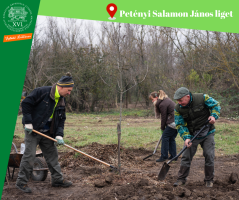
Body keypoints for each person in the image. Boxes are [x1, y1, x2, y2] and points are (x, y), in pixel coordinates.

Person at [16, 72, 74, 193]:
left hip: (48, 132)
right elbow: (26, 103)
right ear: (61, 86)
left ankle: (57, 180)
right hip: (33, 130)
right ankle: (21, 183)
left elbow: (61, 119)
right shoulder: (42, 92)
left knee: (52, 155)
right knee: (29, 156)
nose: (69, 93)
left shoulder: (62, 101)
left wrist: (59, 135)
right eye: (68, 90)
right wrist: (28, 122)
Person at [173, 87, 221, 188]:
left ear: (187, 96)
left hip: (207, 132)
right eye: (178, 101)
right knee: (186, 156)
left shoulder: (202, 98)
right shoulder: (178, 109)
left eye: (181, 100)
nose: (179, 103)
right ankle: (181, 179)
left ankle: (209, 180)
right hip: (192, 135)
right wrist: (186, 137)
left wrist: (213, 116)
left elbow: (215, 105)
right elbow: (180, 124)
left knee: (209, 154)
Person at [149, 90, 178, 162]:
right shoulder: (166, 100)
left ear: (156, 97)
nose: (152, 101)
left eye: (152, 99)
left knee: (165, 137)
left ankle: (164, 156)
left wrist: (162, 128)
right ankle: (174, 156)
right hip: (178, 122)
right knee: (171, 138)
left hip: (173, 123)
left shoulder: (162, 104)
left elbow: (163, 117)